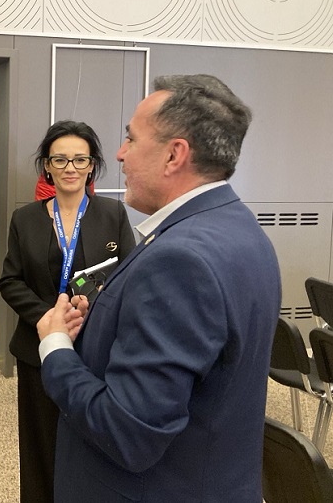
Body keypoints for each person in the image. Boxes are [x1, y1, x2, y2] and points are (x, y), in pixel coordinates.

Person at [38, 75, 281, 502]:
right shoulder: (240, 229)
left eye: (131, 139)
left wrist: (55, 346)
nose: (120, 153)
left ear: (174, 155)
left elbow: (128, 432)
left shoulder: (181, 260)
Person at [0, 120, 136, 502]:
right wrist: (47, 318)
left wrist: (98, 303)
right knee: (40, 445)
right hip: (38, 350)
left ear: (92, 166)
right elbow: (10, 281)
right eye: (60, 159)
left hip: (96, 350)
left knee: (91, 443)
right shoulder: (25, 219)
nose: (70, 167)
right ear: (47, 166)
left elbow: (129, 278)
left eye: (80, 159)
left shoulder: (113, 214)